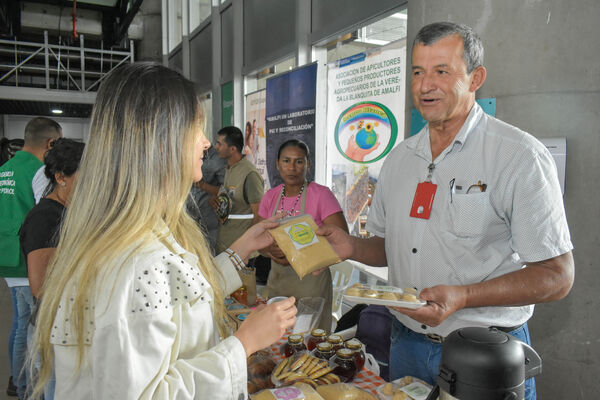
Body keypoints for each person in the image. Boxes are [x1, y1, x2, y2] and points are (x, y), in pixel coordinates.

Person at [318, 22, 574, 400]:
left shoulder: (518, 156)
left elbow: (557, 276)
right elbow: (388, 247)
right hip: (405, 343)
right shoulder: (399, 160)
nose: (424, 85)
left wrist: (464, 296)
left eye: (442, 71)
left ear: (475, 78)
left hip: (483, 352)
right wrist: (352, 246)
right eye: (418, 72)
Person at [29, 62, 297, 400]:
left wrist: (240, 250)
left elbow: (177, 294)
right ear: (160, 140)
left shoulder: (134, 236)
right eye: (196, 129)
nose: (204, 143)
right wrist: (243, 344)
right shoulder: (137, 259)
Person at [0, 117, 62, 399]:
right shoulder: (40, 171)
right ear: (51, 143)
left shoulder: (5, 169)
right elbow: (42, 217)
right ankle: (25, 386)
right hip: (28, 259)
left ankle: (16, 379)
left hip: (7, 255)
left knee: (19, 321)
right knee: (30, 325)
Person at [258, 139, 348, 331]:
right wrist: (270, 250)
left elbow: (342, 241)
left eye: (299, 161)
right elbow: (257, 239)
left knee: (309, 343)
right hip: (278, 284)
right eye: (286, 161)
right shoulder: (270, 197)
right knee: (278, 339)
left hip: (312, 286)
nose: (292, 167)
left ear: (308, 165)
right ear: (277, 164)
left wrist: (300, 254)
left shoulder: (321, 195)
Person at [19, 138, 85, 400]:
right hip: (53, 332)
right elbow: (41, 286)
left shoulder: (73, 212)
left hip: (71, 328)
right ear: (61, 177)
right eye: (87, 176)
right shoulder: (45, 217)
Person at [213, 126, 264, 254]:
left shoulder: (249, 175)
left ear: (232, 149)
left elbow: (260, 216)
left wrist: (246, 249)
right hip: (227, 243)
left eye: (219, 144)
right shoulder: (230, 167)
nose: (215, 147)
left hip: (241, 253)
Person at [188, 146, 227, 254]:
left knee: (209, 257)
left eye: (220, 143)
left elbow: (226, 191)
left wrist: (202, 185)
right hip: (189, 220)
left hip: (209, 221)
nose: (207, 142)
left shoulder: (217, 159)